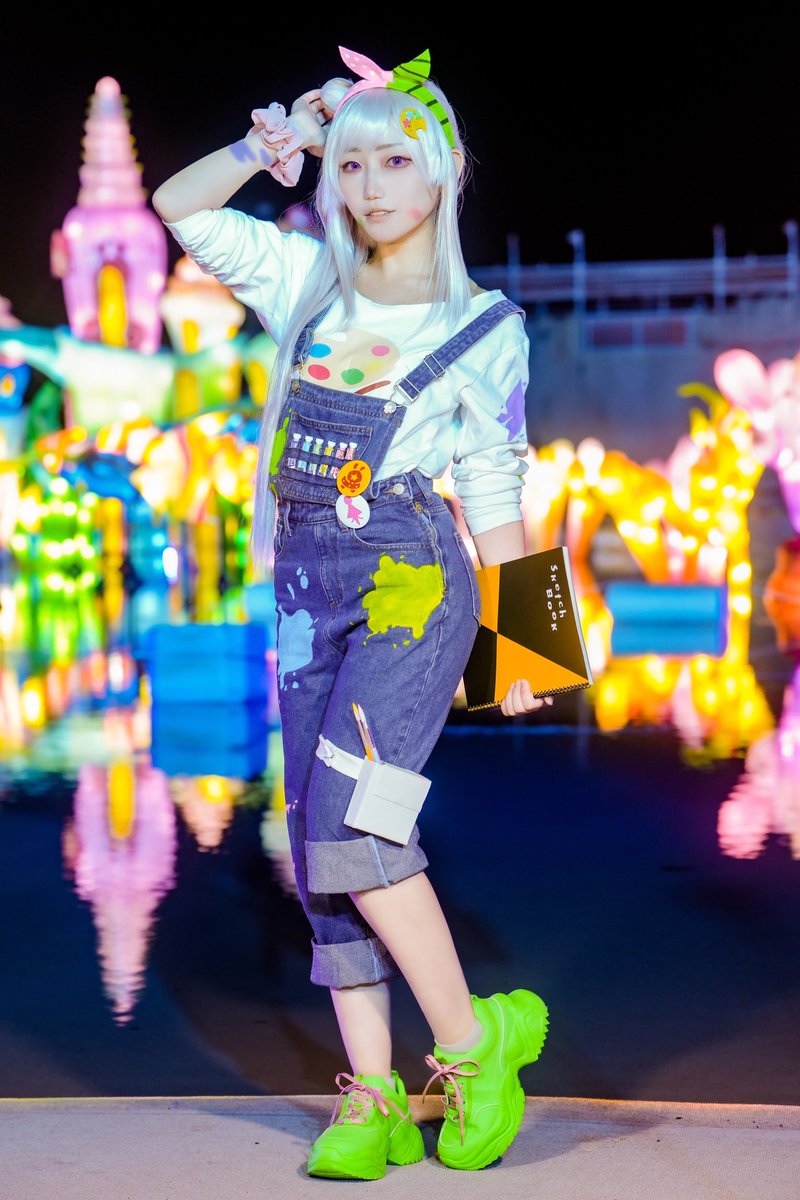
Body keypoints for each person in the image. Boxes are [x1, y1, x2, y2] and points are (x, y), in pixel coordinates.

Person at [152, 44, 551, 1180]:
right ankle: (372, 1093)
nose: (371, 185)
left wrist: (532, 647)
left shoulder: (484, 325)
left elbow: (497, 492)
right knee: (314, 841)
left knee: (357, 825)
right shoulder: (303, 282)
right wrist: (273, 139)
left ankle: (471, 1047)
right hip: (303, 592)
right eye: (353, 164)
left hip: (412, 585)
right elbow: (180, 205)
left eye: (396, 160)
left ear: (444, 170)